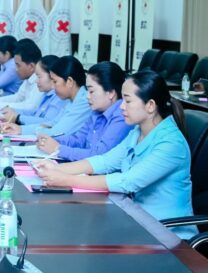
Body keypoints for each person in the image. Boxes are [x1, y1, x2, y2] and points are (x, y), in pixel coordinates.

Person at [34, 70, 196, 239]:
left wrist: (66, 180)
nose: (121, 106)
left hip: (167, 234)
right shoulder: (137, 131)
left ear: (150, 105)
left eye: (128, 101)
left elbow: (128, 182)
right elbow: (106, 161)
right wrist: (58, 169)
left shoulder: (171, 143)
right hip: (136, 220)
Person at [36, 61, 133, 161]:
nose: (87, 96)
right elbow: (79, 140)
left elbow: (98, 155)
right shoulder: (97, 111)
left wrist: (58, 149)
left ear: (111, 93)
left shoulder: (122, 116)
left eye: (91, 91)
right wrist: (51, 140)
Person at [1, 55, 91, 135]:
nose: (53, 86)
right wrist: (21, 129)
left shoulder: (83, 102)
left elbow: (58, 132)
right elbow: (52, 124)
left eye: (55, 81)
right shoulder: (71, 100)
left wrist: (22, 129)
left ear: (69, 82)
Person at [0, 38, 43, 118]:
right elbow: (18, 97)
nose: (16, 69)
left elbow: (29, 107)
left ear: (31, 66)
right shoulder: (28, 77)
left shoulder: (40, 80)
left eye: (18, 65)